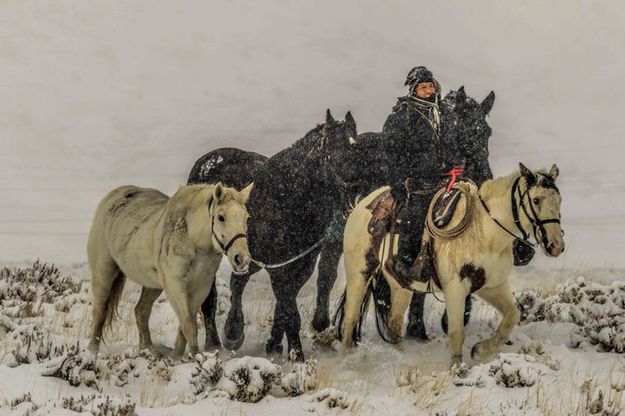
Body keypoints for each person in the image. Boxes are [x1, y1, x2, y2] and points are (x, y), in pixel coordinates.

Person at [383, 66, 455, 284]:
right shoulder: (402, 116)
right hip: (418, 180)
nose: (428, 91)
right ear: (413, 90)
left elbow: (452, 142)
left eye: (430, 86)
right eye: (423, 87)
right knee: (416, 215)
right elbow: (392, 152)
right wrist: (399, 182)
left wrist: (456, 163)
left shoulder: (442, 113)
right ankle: (404, 262)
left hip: (446, 177)